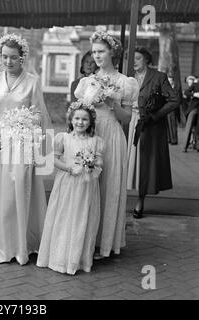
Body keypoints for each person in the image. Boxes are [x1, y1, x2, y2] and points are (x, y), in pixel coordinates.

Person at [0, 33, 52, 265]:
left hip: (23, 144)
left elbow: (38, 113)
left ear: (22, 58)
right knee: (3, 196)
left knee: (22, 192)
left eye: (14, 58)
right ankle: (3, 245)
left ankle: (24, 245)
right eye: (5, 57)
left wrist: (27, 124)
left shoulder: (32, 81)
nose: (8, 62)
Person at [74, 31, 139, 259]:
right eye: (94, 52)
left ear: (113, 52)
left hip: (112, 135)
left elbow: (127, 118)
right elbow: (78, 113)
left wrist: (113, 103)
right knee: (87, 185)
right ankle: (85, 239)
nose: (97, 56)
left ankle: (105, 242)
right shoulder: (86, 82)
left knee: (108, 186)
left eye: (101, 51)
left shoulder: (125, 83)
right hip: (91, 135)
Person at [37, 102, 104, 275]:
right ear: (71, 120)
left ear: (90, 122)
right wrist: (68, 168)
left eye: (84, 119)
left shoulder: (96, 141)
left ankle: (77, 259)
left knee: (82, 218)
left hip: (86, 186)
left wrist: (91, 165)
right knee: (64, 216)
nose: (80, 122)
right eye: (77, 118)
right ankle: (59, 257)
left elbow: (99, 163)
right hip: (66, 184)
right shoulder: (63, 138)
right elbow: (54, 159)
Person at [127, 47, 178, 219]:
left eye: (138, 58)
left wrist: (155, 115)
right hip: (128, 122)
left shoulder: (159, 77)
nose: (133, 61)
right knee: (126, 162)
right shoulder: (127, 78)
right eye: (131, 58)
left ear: (147, 59)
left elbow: (174, 100)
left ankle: (140, 201)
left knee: (145, 164)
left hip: (149, 126)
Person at [182, 75, 199, 152]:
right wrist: (194, 94)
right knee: (189, 126)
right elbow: (186, 92)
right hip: (194, 108)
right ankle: (185, 146)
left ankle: (197, 145)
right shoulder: (196, 84)